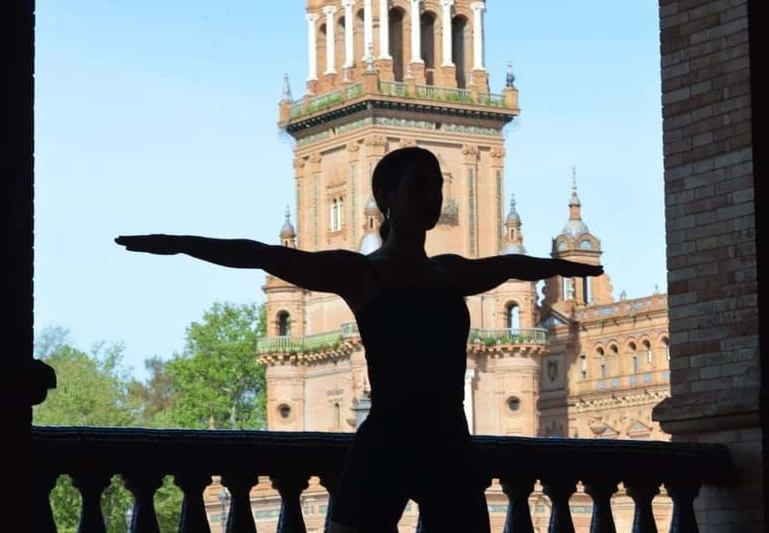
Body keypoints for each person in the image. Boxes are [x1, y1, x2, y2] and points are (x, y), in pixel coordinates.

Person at [116, 147, 603, 532]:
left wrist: (563, 267)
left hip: (448, 447)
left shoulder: (449, 274)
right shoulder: (361, 273)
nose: (432, 198)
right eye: (420, 187)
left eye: (437, 187)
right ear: (387, 197)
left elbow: (509, 267)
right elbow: (260, 254)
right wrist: (178, 244)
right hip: (389, 443)